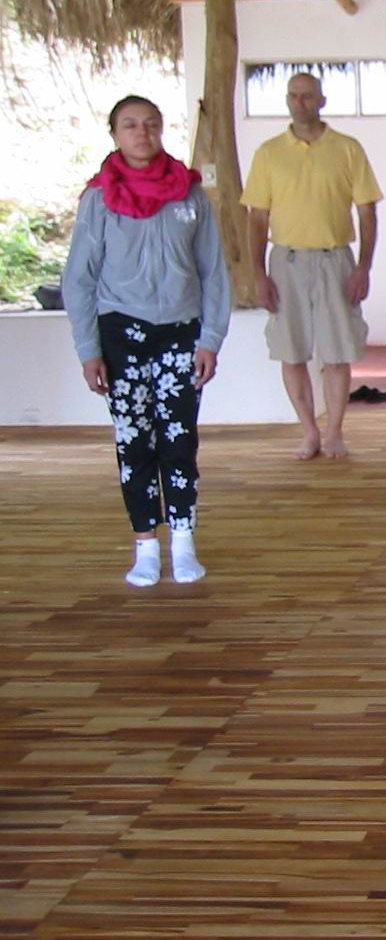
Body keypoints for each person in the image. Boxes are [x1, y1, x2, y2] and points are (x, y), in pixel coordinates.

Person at [62, 95, 231, 587]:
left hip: (181, 331)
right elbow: (79, 279)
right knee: (134, 441)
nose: (142, 133)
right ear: (114, 133)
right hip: (122, 335)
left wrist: (211, 338)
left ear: (162, 130)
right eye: (130, 126)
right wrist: (88, 348)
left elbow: (213, 273)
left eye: (151, 125)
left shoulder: (189, 194)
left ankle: (183, 541)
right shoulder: (98, 199)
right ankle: (145, 546)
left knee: (179, 439)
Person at [243, 72, 382, 460]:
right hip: (284, 261)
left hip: (335, 259)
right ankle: (309, 432)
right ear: (287, 101)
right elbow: (257, 217)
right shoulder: (269, 153)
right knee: (292, 352)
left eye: (307, 95)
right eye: (293, 96)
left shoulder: (347, 149)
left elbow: (367, 212)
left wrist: (363, 267)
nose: (300, 102)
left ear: (322, 100)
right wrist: (258, 273)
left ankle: (335, 431)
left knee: (337, 352)